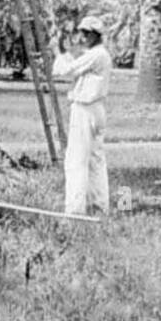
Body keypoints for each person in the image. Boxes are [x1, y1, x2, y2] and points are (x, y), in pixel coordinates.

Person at [52, 15, 112, 216]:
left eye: (88, 33)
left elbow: (66, 71)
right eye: (82, 32)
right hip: (95, 108)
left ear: (96, 35)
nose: (83, 36)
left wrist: (59, 51)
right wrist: (66, 52)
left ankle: (74, 210)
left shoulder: (96, 54)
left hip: (86, 109)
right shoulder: (96, 55)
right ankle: (100, 205)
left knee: (76, 160)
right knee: (95, 159)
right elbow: (75, 66)